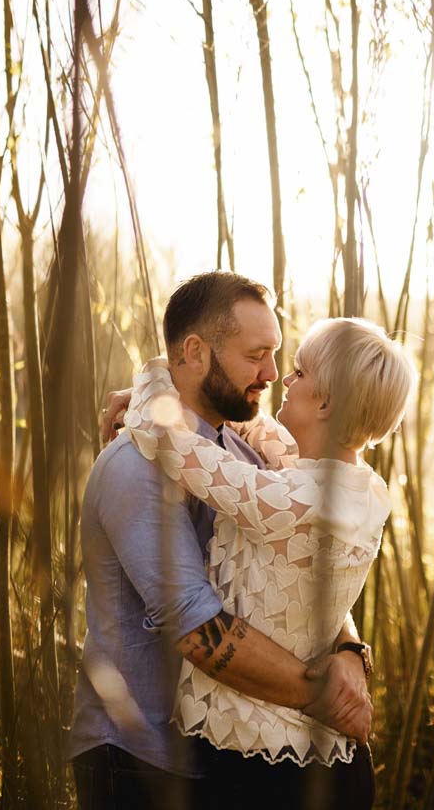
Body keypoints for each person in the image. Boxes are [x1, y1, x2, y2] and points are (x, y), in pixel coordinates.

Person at [67, 272, 372, 810]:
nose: (272, 374)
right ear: (195, 351)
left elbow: (302, 568)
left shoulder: (245, 454)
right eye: (256, 355)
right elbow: (195, 624)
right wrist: (321, 696)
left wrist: (347, 649)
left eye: (278, 356)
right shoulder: (134, 466)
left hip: (213, 757)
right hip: (134, 758)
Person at [119, 315, 415, 810]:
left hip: (264, 767)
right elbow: (259, 430)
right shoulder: (358, 488)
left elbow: (173, 445)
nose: (283, 379)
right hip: (325, 762)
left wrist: (158, 376)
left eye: (299, 372)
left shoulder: (294, 501)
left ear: (326, 403)